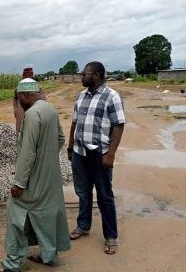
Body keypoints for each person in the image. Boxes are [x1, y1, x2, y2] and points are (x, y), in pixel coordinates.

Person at [0, 78, 70, 272]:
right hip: (50, 177)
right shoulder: (49, 109)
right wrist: (46, 156)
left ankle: (11, 264)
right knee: (46, 214)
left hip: (34, 179)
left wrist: (19, 183)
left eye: (17, 99)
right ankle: (49, 256)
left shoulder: (32, 114)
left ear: (24, 95)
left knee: (16, 213)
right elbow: (59, 139)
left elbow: (27, 153)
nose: (17, 103)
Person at [67, 61, 125, 255]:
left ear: (97, 76)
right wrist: (70, 146)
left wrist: (111, 154)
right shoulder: (81, 96)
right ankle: (83, 226)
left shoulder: (112, 97)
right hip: (80, 153)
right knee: (83, 193)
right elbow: (75, 122)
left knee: (104, 196)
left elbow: (118, 126)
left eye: (85, 73)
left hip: (100, 155)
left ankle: (110, 236)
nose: (81, 76)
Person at [13, 67, 46, 132]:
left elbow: (43, 102)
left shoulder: (37, 87)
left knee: (32, 132)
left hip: (34, 114)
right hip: (21, 114)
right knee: (23, 131)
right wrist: (16, 110)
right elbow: (15, 98)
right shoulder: (19, 87)